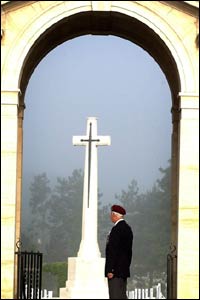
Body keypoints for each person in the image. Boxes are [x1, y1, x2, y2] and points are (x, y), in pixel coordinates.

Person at [105, 204, 133, 299]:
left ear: (114, 215)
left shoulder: (116, 229)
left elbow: (113, 250)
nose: (110, 217)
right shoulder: (128, 229)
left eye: (111, 214)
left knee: (115, 295)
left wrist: (110, 269)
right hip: (123, 270)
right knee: (122, 295)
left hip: (115, 271)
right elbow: (128, 252)